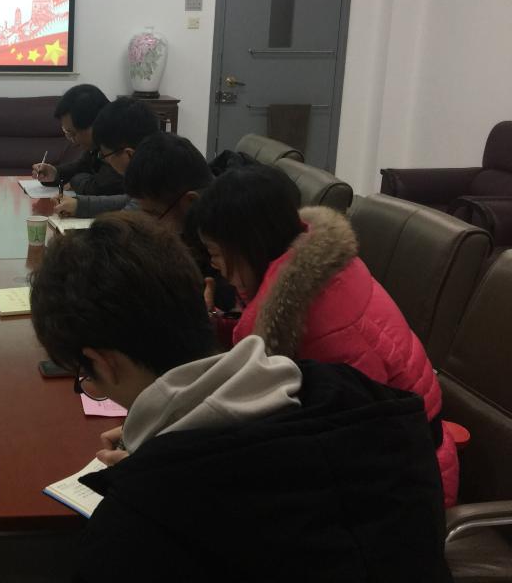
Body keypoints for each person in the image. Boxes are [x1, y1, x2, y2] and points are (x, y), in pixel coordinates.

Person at [28, 213, 450, 582]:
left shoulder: (131, 535)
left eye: (86, 376)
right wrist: (154, 461)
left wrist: (150, 475)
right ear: (200, 300)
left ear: (101, 362)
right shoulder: (367, 401)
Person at [190, 164, 459, 506]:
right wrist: (216, 324)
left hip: (410, 483)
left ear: (248, 247)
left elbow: (354, 444)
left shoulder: (319, 322)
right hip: (394, 455)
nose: (214, 266)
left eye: (215, 253)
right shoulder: (303, 274)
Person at [122, 131, 238, 324]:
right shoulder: (191, 223)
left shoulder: (228, 251)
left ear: (190, 202)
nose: (148, 225)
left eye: (153, 214)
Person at [53, 97, 158, 217]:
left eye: (104, 155)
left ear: (129, 154)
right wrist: (79, 205)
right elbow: (130, 200)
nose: (103, 159)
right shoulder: (153, 163)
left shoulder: (161, 185)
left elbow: (125, 222)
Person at [31, 84, 122, 196]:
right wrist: (55, 173)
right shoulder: (97, 143)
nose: (72, 141)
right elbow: (82, 166)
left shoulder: (119, 144)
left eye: (73, 134)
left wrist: (75, 181)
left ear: (94, 125)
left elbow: (100, 188)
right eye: (67, 133)